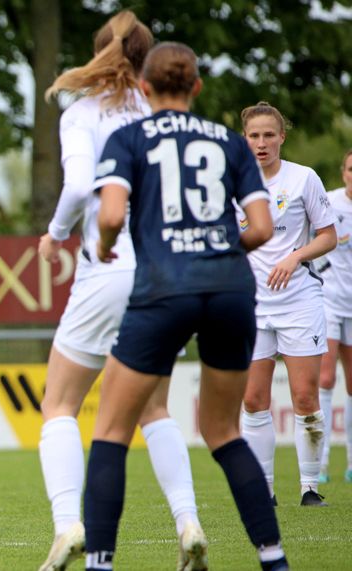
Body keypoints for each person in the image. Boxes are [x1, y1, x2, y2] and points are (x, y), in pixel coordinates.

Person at [84, 42, 288, 570]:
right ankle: (274, 559)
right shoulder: (229, 141)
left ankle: (100, 564)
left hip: (162, 289)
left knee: (110, 430)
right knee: (223, 432)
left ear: (144, 89)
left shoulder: (127, 137)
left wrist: (106, 247)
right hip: (231, 290)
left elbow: (109, 217)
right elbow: (262, 228)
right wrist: (217, 248)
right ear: (196, 88)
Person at [36, 11, 201, 570]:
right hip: (167, 273)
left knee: (59, 402)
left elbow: (82, 185)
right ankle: (188, 522)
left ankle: (66, 526)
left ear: (100, 51)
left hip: (108, 267)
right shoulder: (163, 113)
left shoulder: (83, 113)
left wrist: (56, 234)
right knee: (155, 409)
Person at [238, 102, 337, 507]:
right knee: (253, 399)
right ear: (245, 139)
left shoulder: (303, 179)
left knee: (304, 397)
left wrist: (295, 256)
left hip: (299, 299)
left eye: (268, 135)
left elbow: (328, 236)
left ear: (282, 137)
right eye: (253, 136)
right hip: (251, 303)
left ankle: (309, 487)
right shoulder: (232, 181)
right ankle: (263, 491)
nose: (261, 143)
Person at [317, 149, 352, 483]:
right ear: (343, 173)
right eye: (351, 169)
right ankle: (322, 462)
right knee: (325, 378)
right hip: (329, 300)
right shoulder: (329, 202)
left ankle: (351, 461)